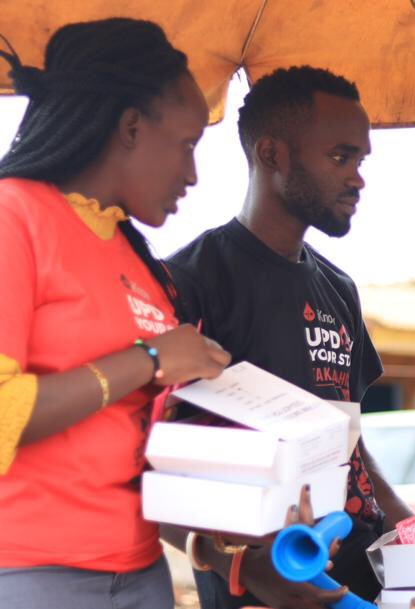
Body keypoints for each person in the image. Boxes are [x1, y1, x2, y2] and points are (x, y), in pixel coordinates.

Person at [0, 18, 231, 609]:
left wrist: (220, 526)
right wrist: (148, 358)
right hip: (30, 573)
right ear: (130, 127)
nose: (193, 174)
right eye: (187, 144)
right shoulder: (14, 217)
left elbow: (128, 441)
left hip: (141, 571)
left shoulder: (133, 254)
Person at [165, 66, 411, 609]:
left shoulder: (338, 288)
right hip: (265, 590)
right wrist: (243, 566)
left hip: (359, 581)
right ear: (273, 154)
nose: (357, 178)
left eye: (360, 160)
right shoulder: (190, 282)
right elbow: (152, 465)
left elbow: (349, 445)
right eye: (340, 157)